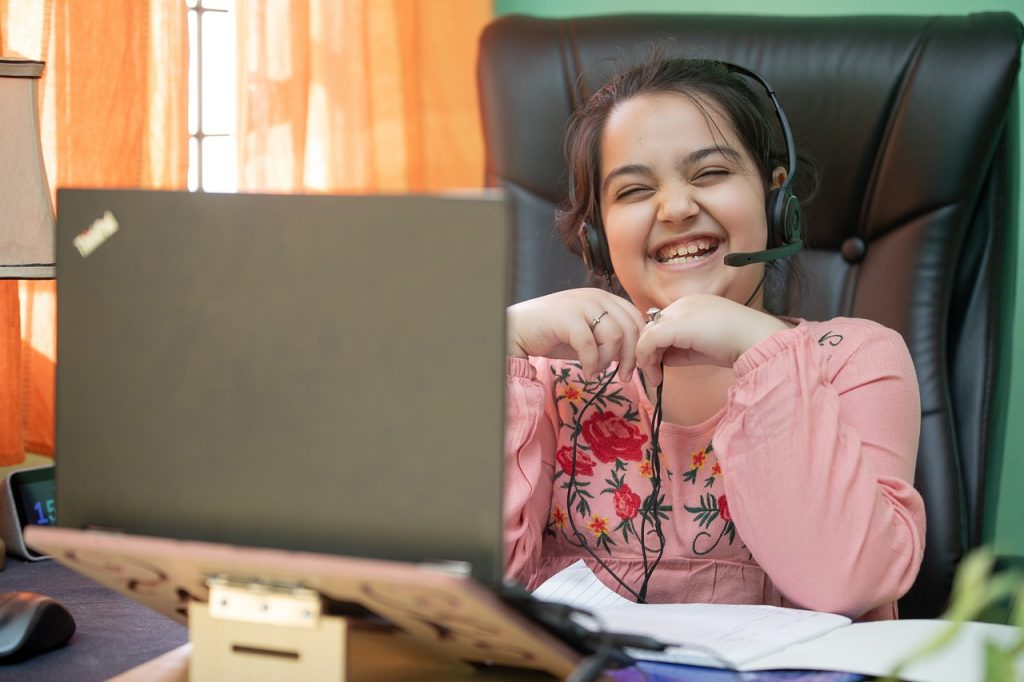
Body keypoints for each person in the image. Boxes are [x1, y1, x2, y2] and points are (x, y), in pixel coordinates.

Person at [503, 57, 925, 621]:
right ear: (599, 239)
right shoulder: (552, 383)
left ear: (775, 201)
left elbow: (846, 583)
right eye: (633, 190)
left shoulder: (854, 360)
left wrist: (763, 354)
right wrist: (496, 348)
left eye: (709, 175)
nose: (676, 208)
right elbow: (462, 582)